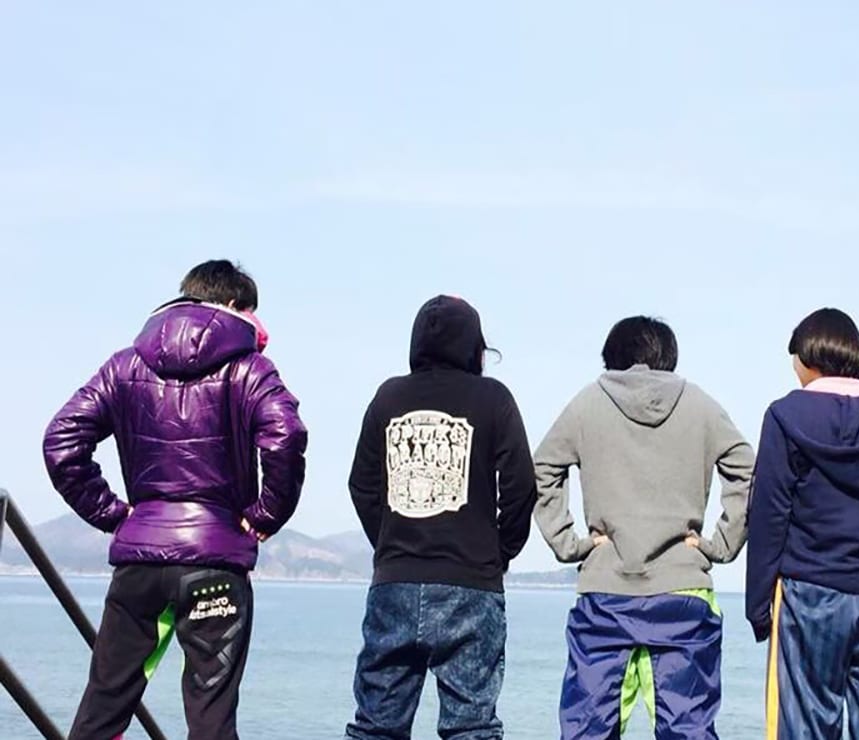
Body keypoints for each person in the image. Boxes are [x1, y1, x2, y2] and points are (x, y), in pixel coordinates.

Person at [43, 259, 307, 740]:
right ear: (234, 306)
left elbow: (61, 440)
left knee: (103, 708)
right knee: (211, 718)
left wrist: (113, 514)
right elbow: (285, 435)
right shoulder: (251, 370)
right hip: (216, 564)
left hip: (139, 563)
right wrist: (267, 515)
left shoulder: (124, 365)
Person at [534, 316, 754, 739]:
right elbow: (746, 470)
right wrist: (721, 545)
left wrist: (570, 544)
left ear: (611, 359)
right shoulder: (701, 406)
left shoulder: (587, 404)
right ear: (669, 358)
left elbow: (544, 467)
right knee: (689, 730)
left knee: (587, 730)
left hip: (605, 592)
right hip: (684, 590)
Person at [345, 295, 537, 740]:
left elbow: (362, 485)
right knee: (472, 727)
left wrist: (391, 545)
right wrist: (499, 553)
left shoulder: (388, 397)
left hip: (394, 582)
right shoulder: (493, 398)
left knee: (376, 727)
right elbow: (521, 485)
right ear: (475, 348)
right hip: (471, 584)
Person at [745, 308, 859, 740]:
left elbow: (769, 513)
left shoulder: (784, 416)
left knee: (804, 726)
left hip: (808, 594)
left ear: (808, 358)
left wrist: (758, 605)